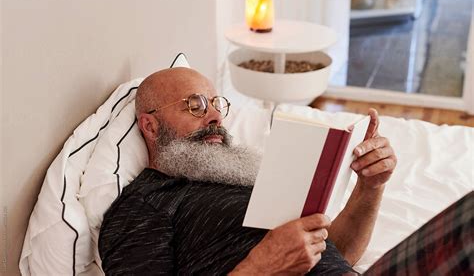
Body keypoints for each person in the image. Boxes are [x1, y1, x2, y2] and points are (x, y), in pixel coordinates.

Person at [98, 67, 398, 275]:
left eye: (217, 104)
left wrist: (371, 186)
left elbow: (337, 253)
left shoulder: (244, 178)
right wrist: (262, 267)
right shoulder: (144, 205)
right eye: (195, 106)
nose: (215, 116)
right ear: (150, 126)